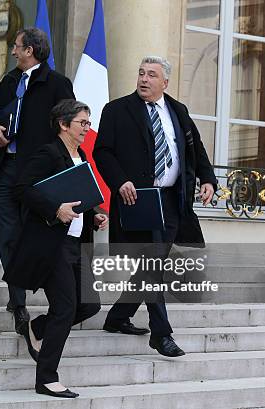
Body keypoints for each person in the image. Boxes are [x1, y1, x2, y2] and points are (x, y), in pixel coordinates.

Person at [93, 56, 217, 357]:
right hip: (138, 200)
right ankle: (161, 334)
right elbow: (103, 152)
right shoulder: (117, 110)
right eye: (141, 73)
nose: (144, 79)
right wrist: (120, 181)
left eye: (151, 75)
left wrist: (207, 179)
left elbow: (194, 148)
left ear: (165, 82)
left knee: (153, 264)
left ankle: (118, 317)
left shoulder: (178, 110)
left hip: (173, 201)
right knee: (152, 265)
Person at [4, 99, 106, 398]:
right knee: (64, 308)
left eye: (88, 123)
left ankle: (36, 328)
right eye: (82, 123)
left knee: (89, 305)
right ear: (64, 124)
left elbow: (78, 197)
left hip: (76, 242)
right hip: (53, 244)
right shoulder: (48, 153)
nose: (87, 128)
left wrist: (94, 214)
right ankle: (46, 377)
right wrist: (54, 209)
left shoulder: (82, 155)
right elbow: (21, 189)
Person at [0, 27, 75, 335]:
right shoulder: (9, 80)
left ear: (30, 50)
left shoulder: (58, 84)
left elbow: (68, 127)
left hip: (37, 174)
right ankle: (17, 300)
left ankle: (50, 297)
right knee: (7, 235)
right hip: (5, 168)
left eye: (17, 47)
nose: (13, 52)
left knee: (30, 236)